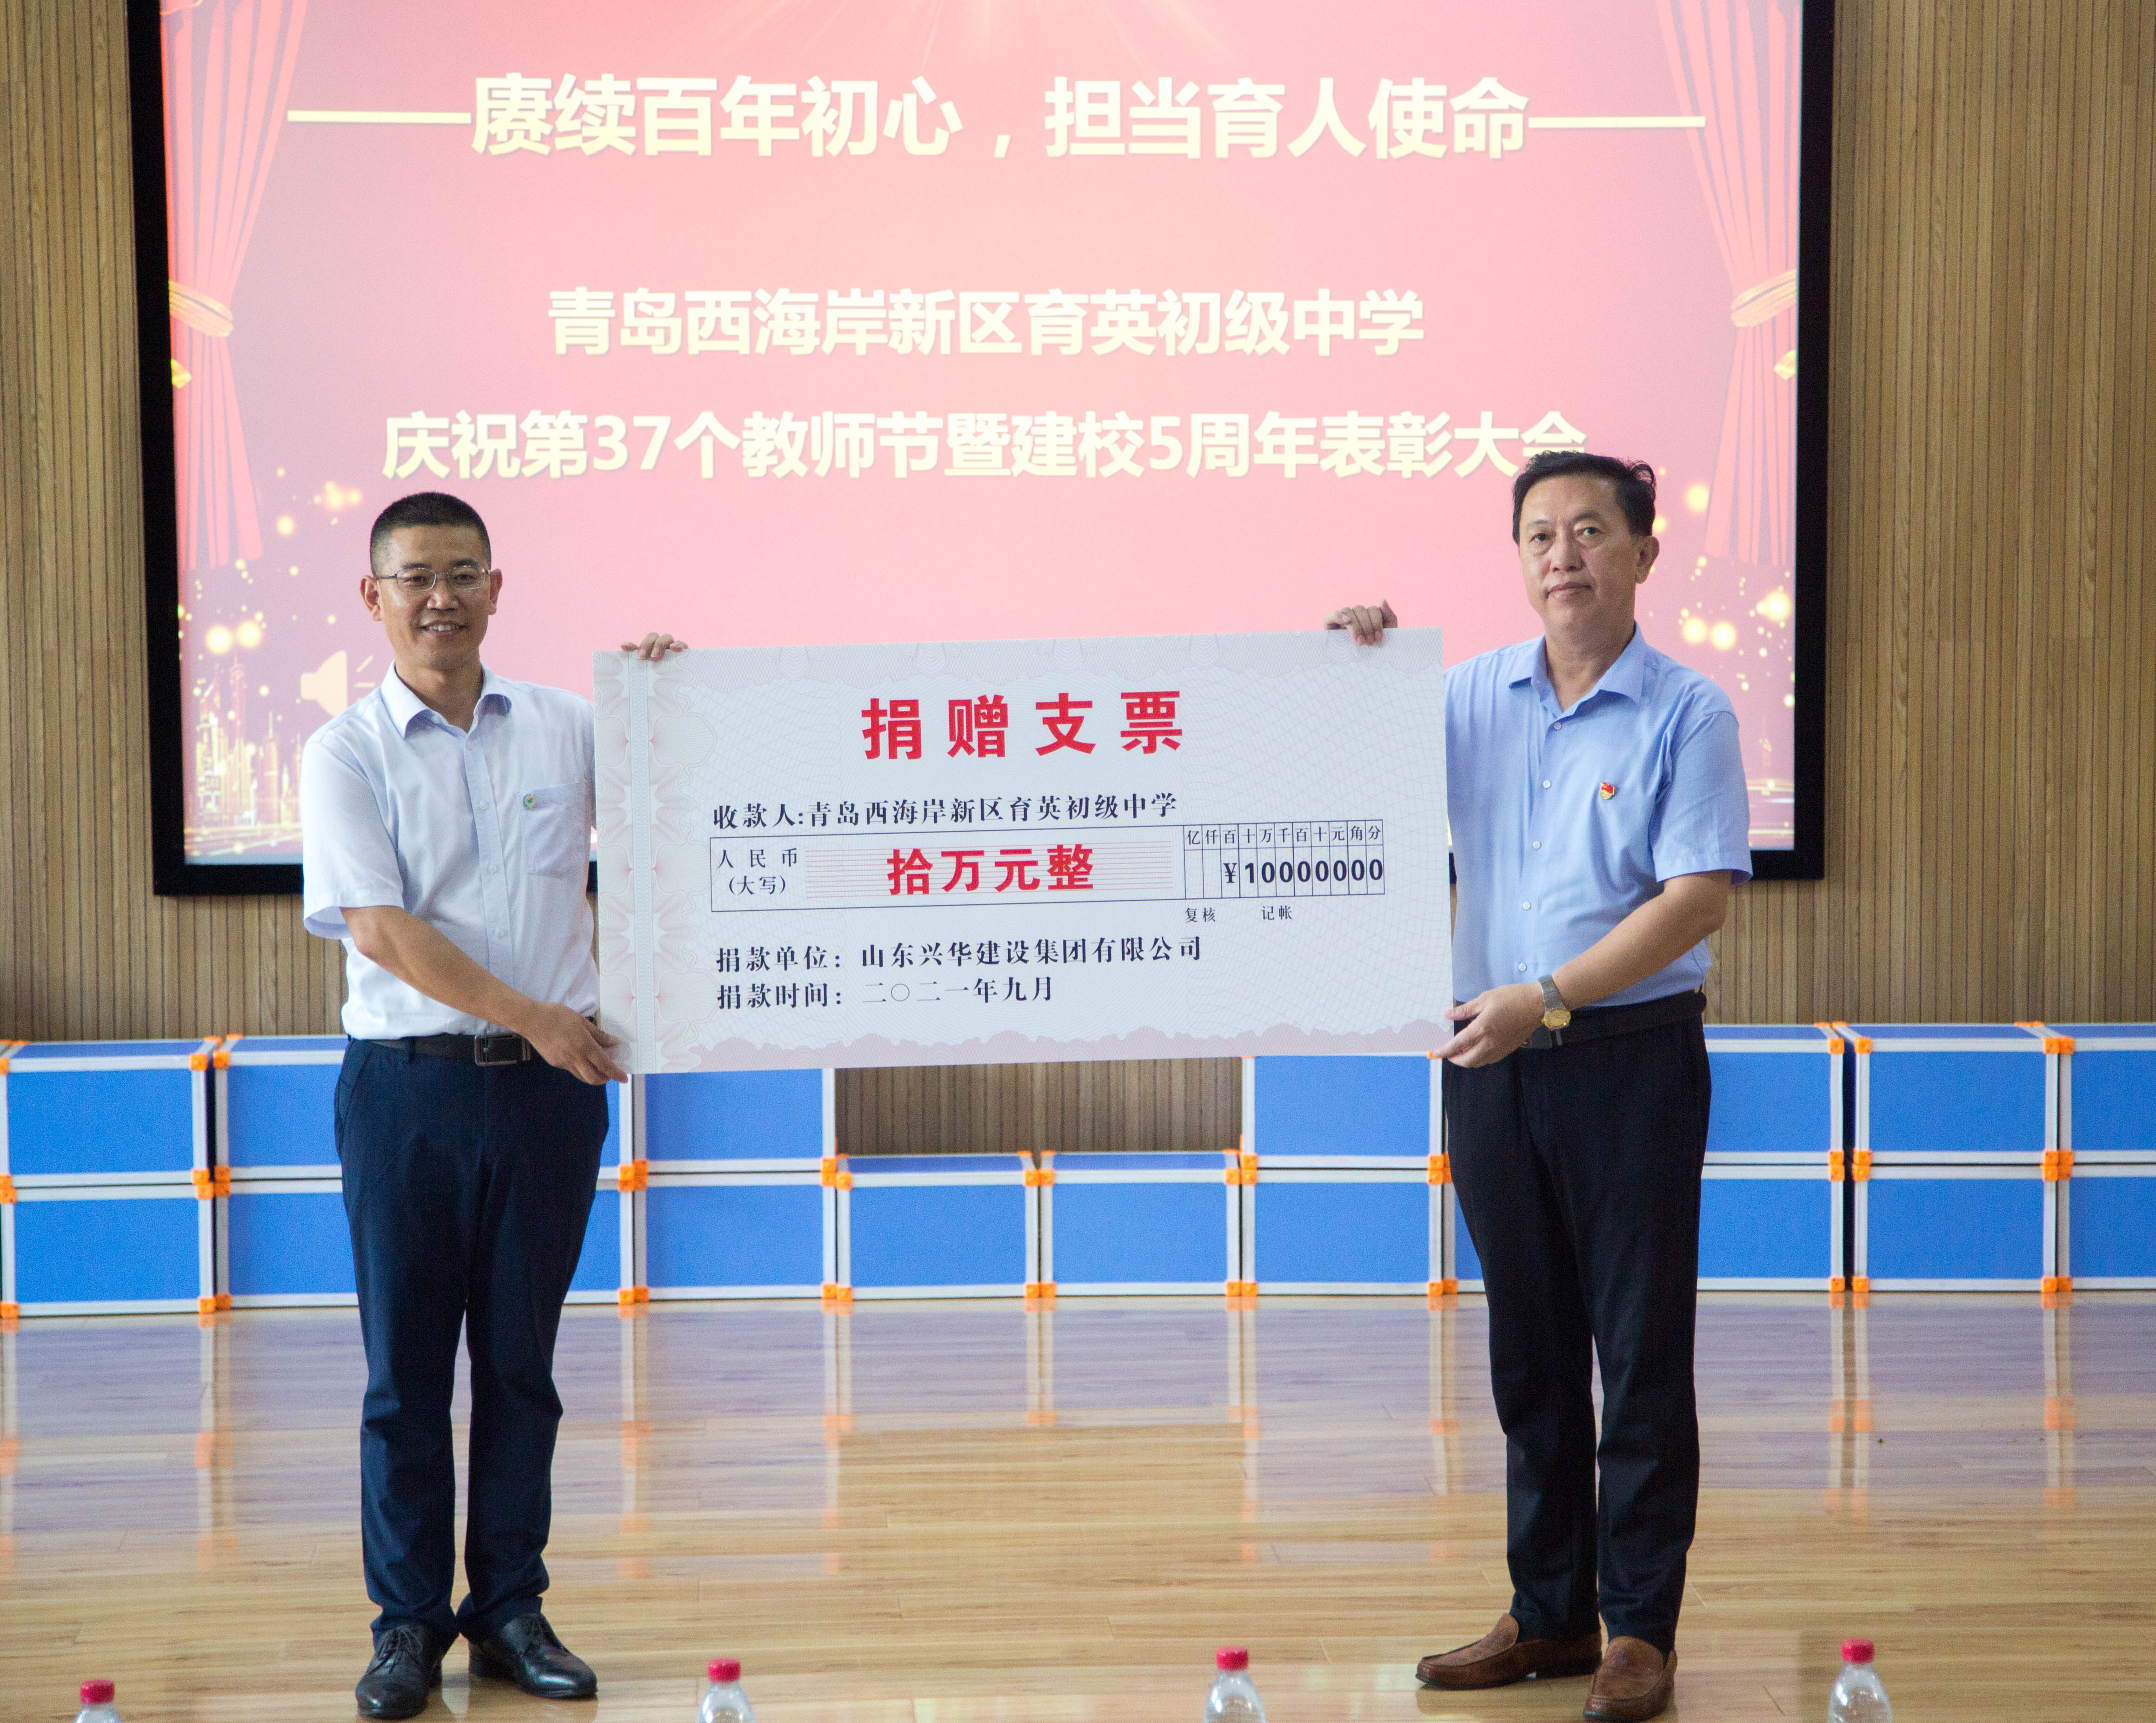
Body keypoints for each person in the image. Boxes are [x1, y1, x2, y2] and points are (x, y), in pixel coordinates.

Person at [1328, 451, 1750, 1723]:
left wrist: (1550, 996)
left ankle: (1638, 1628)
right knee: (1529, 1352)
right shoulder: (1466, 696)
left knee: (1638, 1351)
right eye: (1539, 535)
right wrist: (1354, 669)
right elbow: (1336, 771)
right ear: (1518, 560)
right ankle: (1550, 1609)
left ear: (1644, 552)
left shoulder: (1687, 711)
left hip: (1628, 1059)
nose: (1563, 555)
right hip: (1490, 1059)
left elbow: (1696, 896)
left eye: (1589, 530)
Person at [300, 490, 685, 1718]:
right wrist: (539, 1014)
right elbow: (381, 929)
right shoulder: (344, 752)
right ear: (373, 597)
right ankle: (407, 1626)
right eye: (416, 576)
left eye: (462, 573)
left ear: (497, 588)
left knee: (521, 1368)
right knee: (404, 1380)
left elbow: (681, 800)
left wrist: (669, 700)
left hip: (545, 1101)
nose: (440, 597)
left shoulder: (566, 729)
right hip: (405, 1094)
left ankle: (510, 1610)